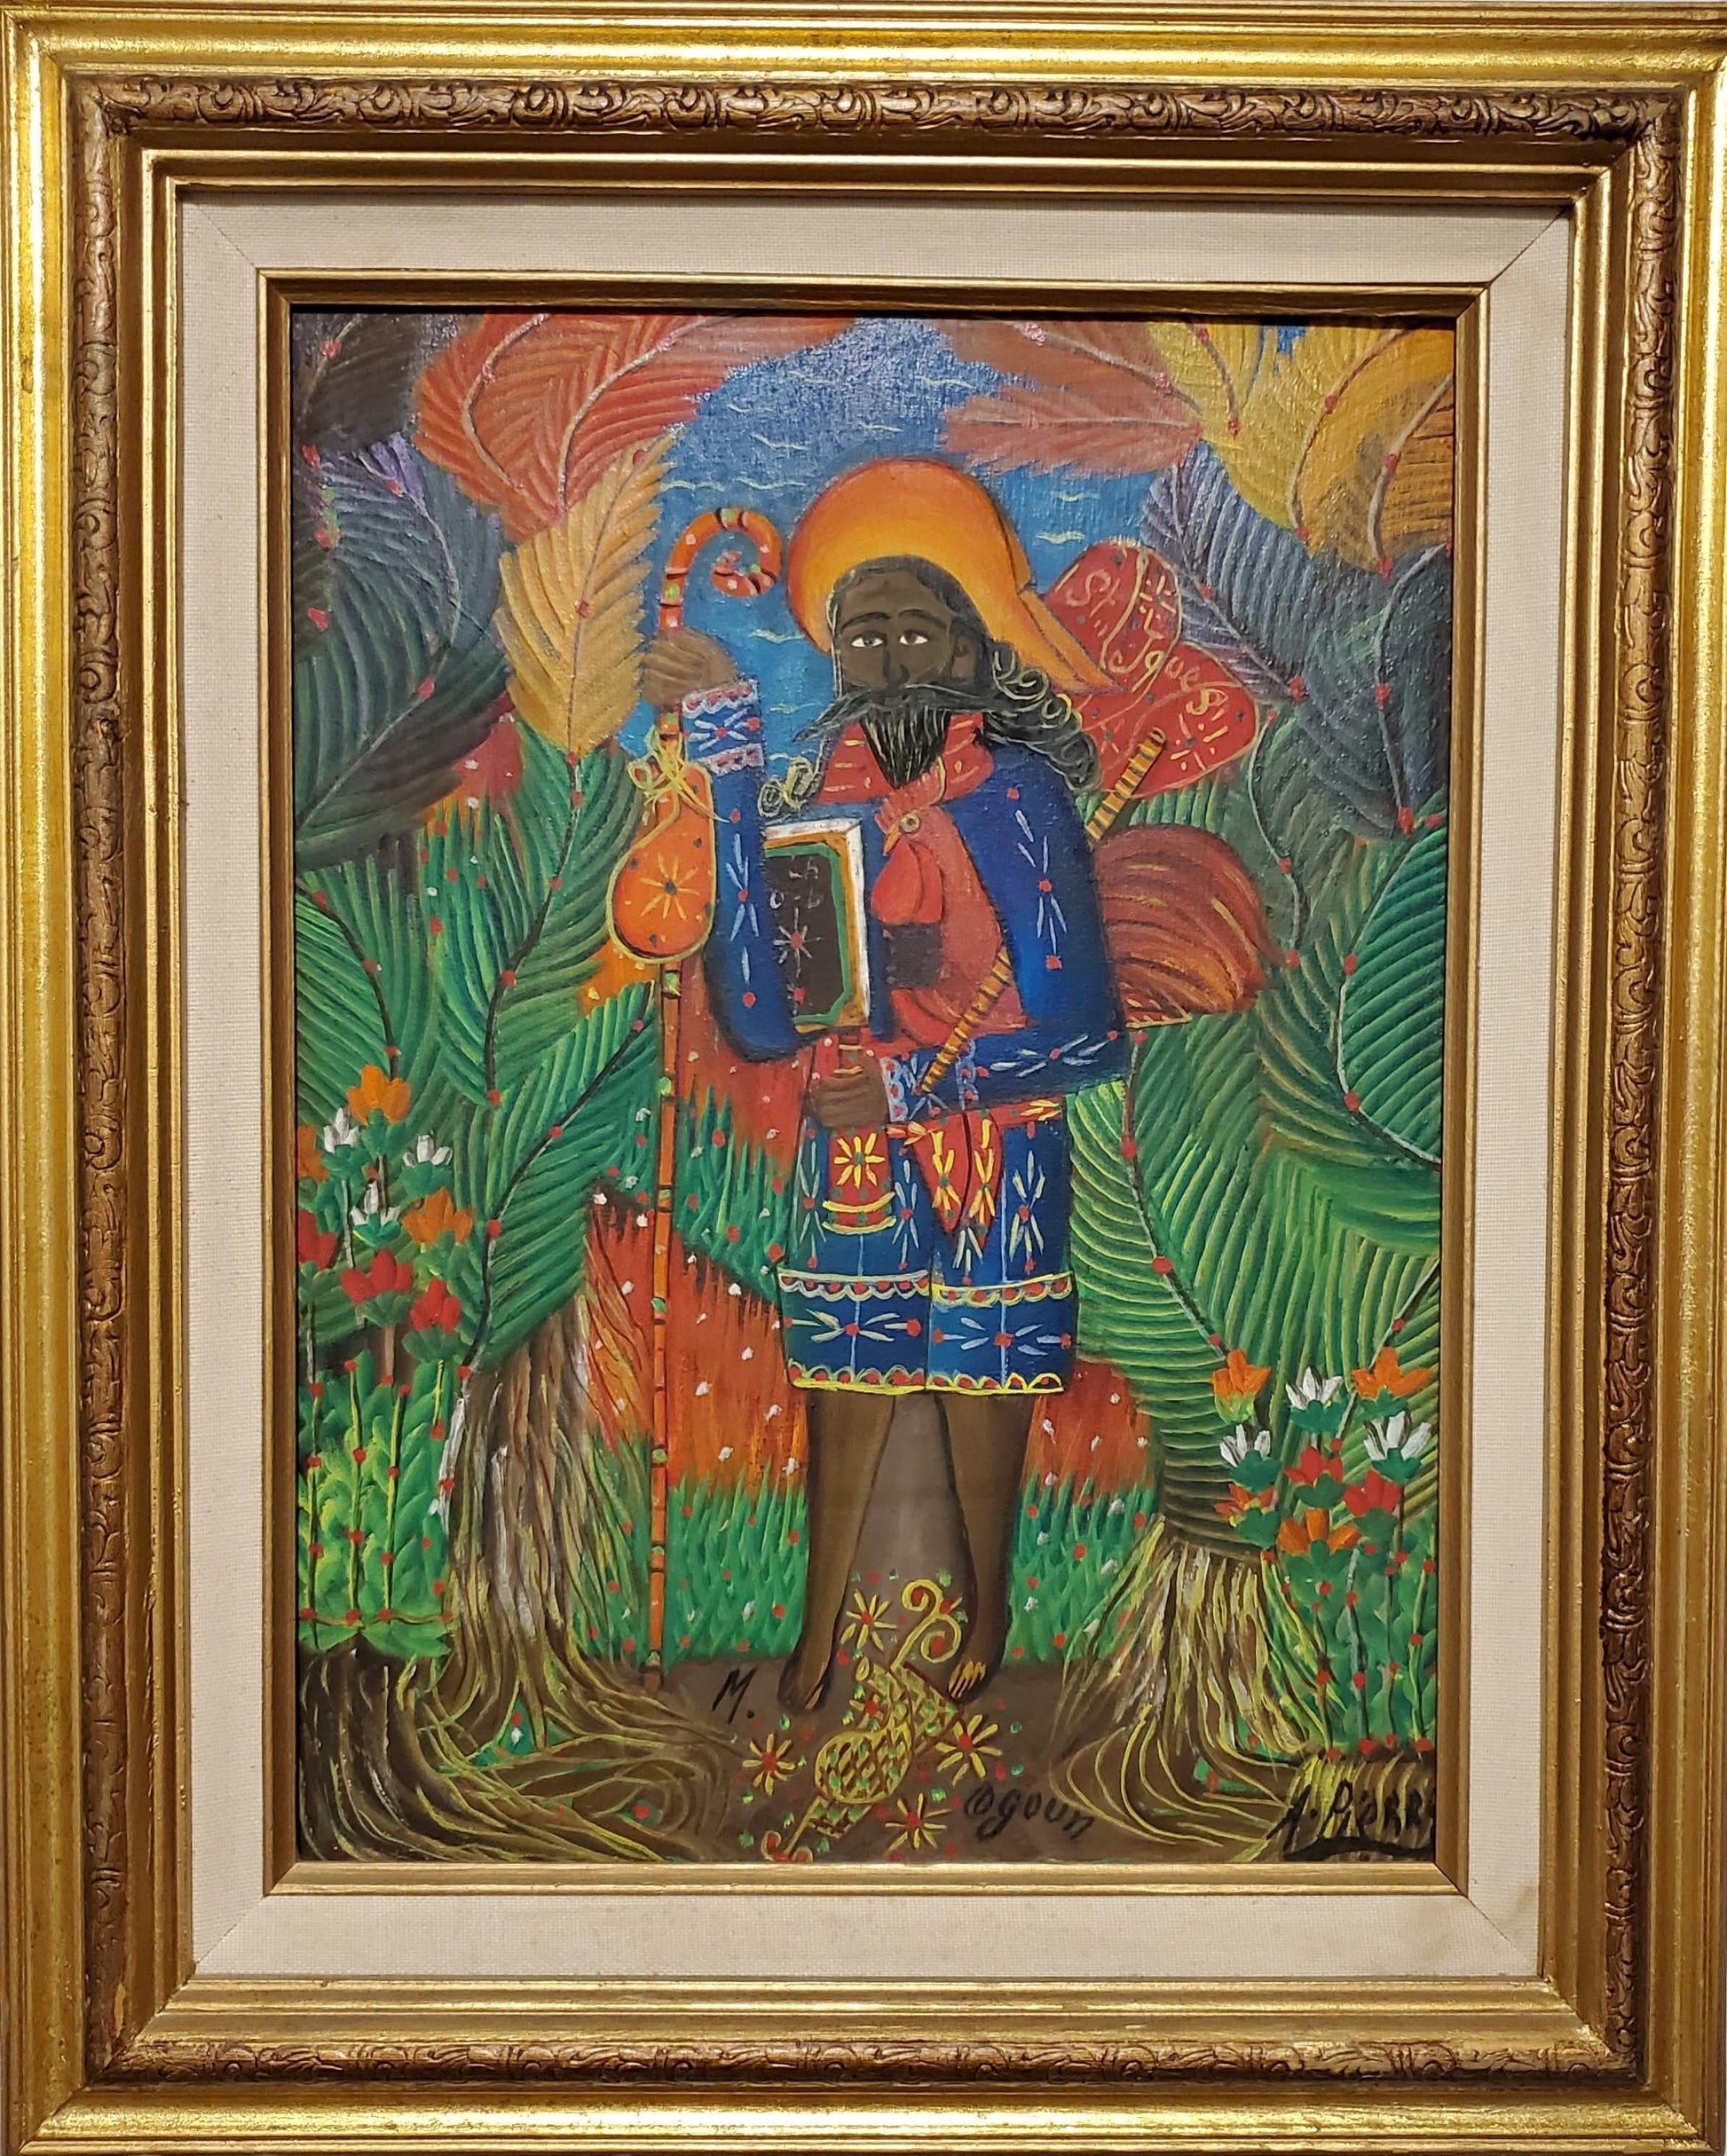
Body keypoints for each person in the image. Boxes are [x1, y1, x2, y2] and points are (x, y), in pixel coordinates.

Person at [642, 458, 1129, 1712]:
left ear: (971, 648)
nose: (891, 655)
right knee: (846, 1368)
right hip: (851, 1140)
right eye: (863, 633)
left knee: (981, 1372)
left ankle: (987, 1616)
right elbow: (761, 1017)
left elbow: (1084, 1035)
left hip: (999, 1139)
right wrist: (728, 767)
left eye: (918, 626)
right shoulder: (823, 808)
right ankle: (819, 1635)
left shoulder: (1017, 798)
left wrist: (921, 1094)